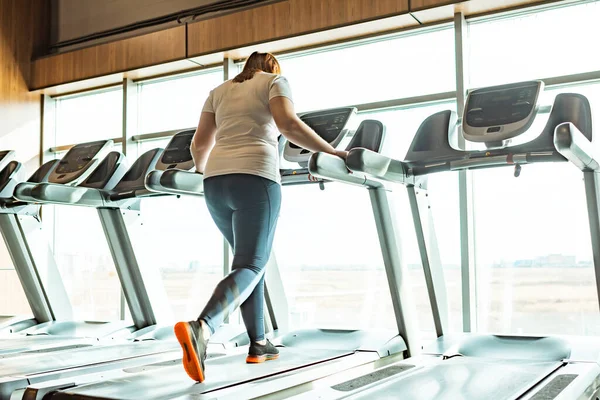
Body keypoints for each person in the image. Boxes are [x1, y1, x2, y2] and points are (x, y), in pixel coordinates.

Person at [173, 51, 348, 383]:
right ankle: (203, 327)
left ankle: (259, 342)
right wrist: (330, 153)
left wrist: (203, 172)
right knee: (251, 264)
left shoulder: (218, 91)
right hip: (255, 176)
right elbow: (288, 125)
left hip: (214, 183)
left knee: (250, 264)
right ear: (273, 69)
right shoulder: (275, 82)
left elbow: (199, 145)